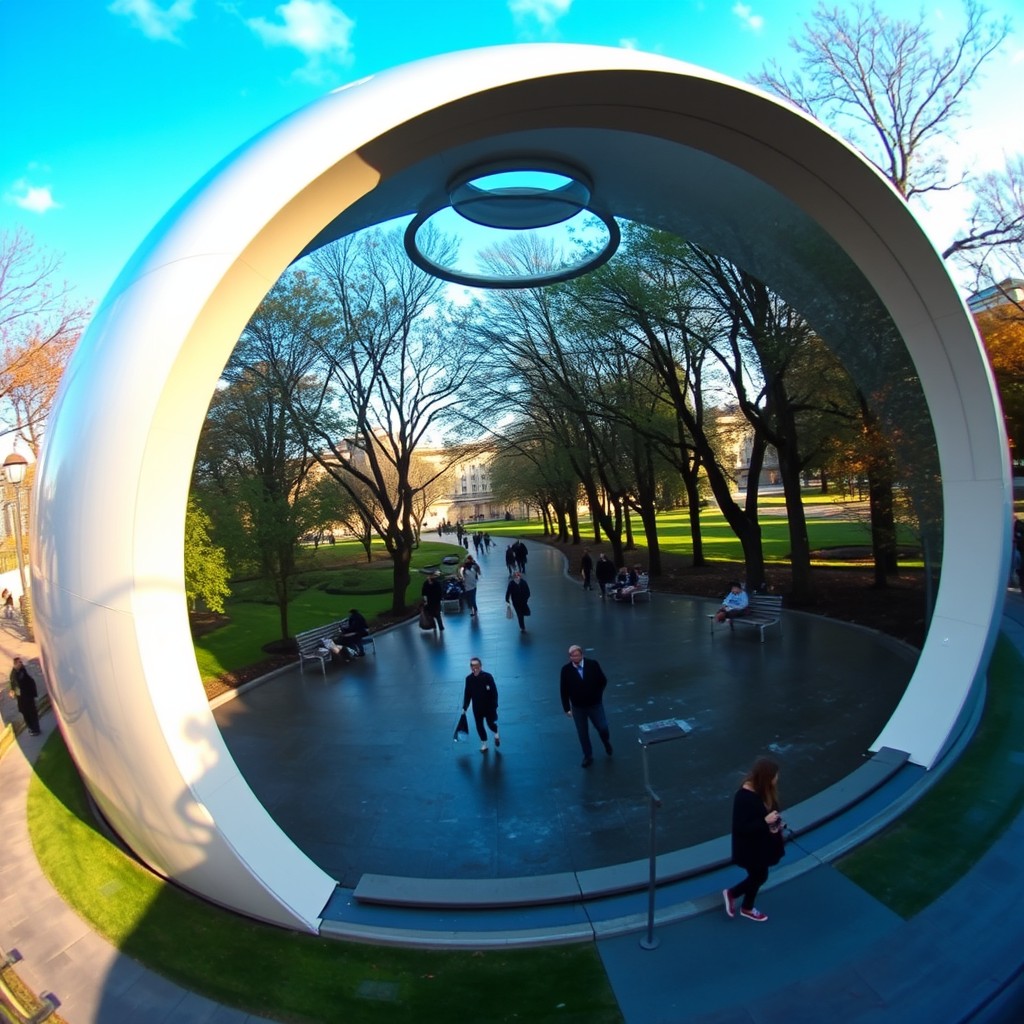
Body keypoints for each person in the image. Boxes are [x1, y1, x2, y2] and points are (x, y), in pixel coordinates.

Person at [722, 756, 785, 923]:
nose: (777, 779)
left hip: (762, 845)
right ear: (766, 778)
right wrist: (766, 822)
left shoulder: (765, 792)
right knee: (759, 876)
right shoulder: (744, 797)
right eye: (775, 776)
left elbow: (769, 813)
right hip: (751, 848)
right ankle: (739, 901)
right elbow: (741, 827)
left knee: (759, 876)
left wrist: (776, 822)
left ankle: (742, 903)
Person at [559, 644, 612, 767]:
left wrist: (598, 694)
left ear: (582, 655)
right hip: (578, 707)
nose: (575, 658)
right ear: (569, 657)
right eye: (572, 656)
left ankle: (606, 741)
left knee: (602, 727)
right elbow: (563, 690)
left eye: (577, 655)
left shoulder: (592, 664)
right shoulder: (565, 670)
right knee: (582, 733)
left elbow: (603, 680)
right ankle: (588, 756)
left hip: (594, 704)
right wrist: (566, 708)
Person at [461, 656, 500, 752]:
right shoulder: (469, 679)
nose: (474, 668)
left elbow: (494, 692)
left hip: (489, 707)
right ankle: (484, 744)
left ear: (481, 666)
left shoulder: (487, 677)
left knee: (490, 723)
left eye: (476, 665)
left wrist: (494, 705)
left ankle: (496, 733)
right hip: (477, 708)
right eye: (472, 665)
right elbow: (467, 694)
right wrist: (464, 707)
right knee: (479, 726)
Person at [8, 656, 40, 736]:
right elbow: (14, 685)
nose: (21, 663)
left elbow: (27, 679)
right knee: (27, 714)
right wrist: (13, 691)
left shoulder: (22, 670)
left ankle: (36, 729)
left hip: (29, 696)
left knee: (33, 713)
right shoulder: (13, 675)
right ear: (15, 664)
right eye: (20, 662)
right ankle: (32, 729)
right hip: (23, 699)